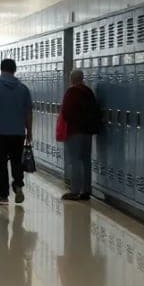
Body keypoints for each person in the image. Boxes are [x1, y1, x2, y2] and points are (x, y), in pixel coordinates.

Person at [0, 58, 33, 205]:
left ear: (1, 69)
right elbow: (28, 112)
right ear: (14, 70)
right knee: (17, 161)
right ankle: (18, 185)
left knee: (1, 163)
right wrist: (29, 131)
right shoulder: (23, 89)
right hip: (18, 133)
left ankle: (3, 195)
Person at [60, 69, 99, 201]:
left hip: (74, 132)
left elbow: (65, 112)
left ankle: (75, 191)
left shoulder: (72, 92)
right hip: (87, 132)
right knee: (86, 160)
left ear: (72, 79)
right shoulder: (88, 92)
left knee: (75, 161)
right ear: (82, 78)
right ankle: (86, 190)